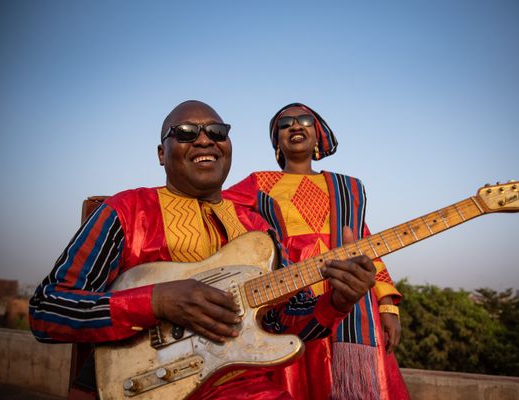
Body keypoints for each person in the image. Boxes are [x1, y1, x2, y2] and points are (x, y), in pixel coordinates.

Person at [29, 100, 378, 400]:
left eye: (216, 131)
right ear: (161, 153)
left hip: (243, 387)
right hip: (139, 386)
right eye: (184, 132)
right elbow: (46, 312)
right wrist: (156, 302)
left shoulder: (259, 228)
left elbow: (285, 323)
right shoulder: (127, 210)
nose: (203, 140)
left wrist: (336, 302)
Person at [223, 103, 410, 400]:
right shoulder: (259, 183)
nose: (295, 126)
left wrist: (387, 305)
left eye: (304, 120)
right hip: (292, 302)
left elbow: (366, 246)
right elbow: (214, 206)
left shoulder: (346, 187)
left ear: (317, 133)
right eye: (285, 124)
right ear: (278, 142)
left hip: (351, 300)